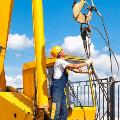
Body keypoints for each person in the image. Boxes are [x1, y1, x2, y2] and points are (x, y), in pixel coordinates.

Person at [50, 46, 92, 120]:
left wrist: (88, 72)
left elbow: (75, 70)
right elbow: (74, 66)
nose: (63, 50)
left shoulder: (63, 63)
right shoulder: (60, 61)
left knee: (64, 111)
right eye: (61, 50)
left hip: (61, 89)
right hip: (56, 89)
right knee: (55, 111)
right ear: (59, 53)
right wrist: (86, 62)